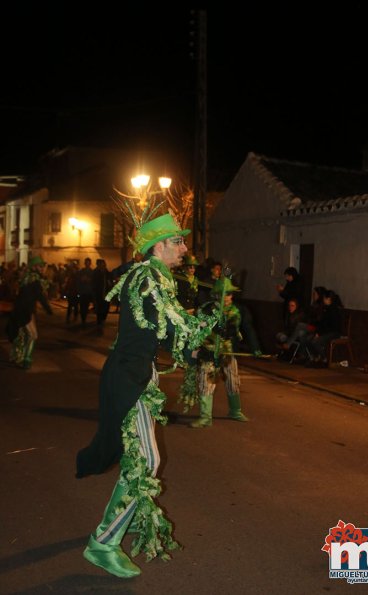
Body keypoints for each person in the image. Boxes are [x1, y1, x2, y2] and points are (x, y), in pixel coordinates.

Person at [76, 213, 217, 579]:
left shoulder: (158, 279)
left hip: (139, 376)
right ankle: (103, 543)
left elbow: (165, 330)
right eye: (178, 242)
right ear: (159, 246)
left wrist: (195, 346)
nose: (185, 248)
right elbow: (173, 325)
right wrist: (196, 332)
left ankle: (123, 519)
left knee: (140, 460)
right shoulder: (146, 277)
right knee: (149, 462)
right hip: (129, 380)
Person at [181, 277, 250, 428]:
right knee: (206, 382)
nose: (229, 297)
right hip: (208, 352)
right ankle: (205, 417)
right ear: (218, 295)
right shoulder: (206, 308)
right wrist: (209, 327)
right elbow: (197, 324)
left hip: (226, 351)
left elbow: (232, 330)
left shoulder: (233, 311)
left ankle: (235, 411)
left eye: (230, 294)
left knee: (232, 380)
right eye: (226, 294)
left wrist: (224, 330)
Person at [6, 255, 52, 369]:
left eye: (43, 266)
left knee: (22, 335)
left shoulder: (27, 278)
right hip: (25, 311)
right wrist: (48, 309)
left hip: (21, 310)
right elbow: (40, 296)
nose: (42, 269)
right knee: (33, 335)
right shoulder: (35, 280)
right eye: (41, 266)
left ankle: (17, 357)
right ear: (35, 267)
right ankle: (26, 359)